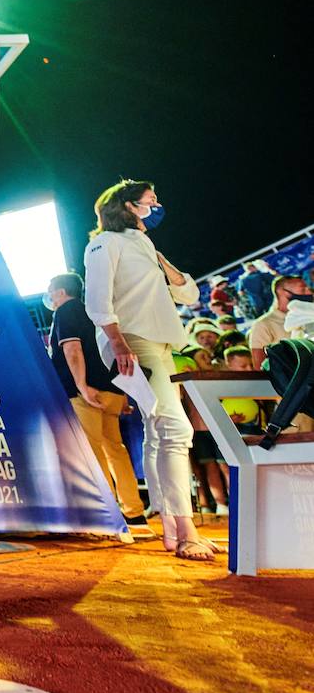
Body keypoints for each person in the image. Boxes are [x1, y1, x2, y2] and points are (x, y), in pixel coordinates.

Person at [83, 179, 214, 561]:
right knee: (174, 428)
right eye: (150, 201)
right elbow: (97, 299)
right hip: (134, 342)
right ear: (127, 206)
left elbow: (189, 292)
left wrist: (158, 257)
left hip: (160, 344)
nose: (157, 207)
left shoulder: (143, 245)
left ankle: (173, 529)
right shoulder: (103, 244)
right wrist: (119, 344)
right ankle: (185, 530)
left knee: (159, 433)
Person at [44, 273, 147, 534]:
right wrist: (123, 393)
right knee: (116, 449)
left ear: (60, 292)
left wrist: (81, 385)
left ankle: (106, 514)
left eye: (51, 291)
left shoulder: (66, 311)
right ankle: (134, 513)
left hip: (86, 391)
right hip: (112, 389)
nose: (50, 297)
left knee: (93, 452)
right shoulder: (98, 312)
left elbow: (72, 349)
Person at [249, 275, 313, 367]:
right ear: (283, 292)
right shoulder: (263, 324)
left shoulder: (309, 313)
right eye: (302, 289)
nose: (309, 292)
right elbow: (259, 366)